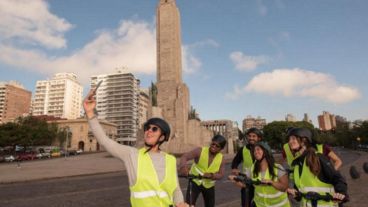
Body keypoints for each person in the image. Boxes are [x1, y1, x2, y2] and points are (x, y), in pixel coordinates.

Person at [83, 88, 188, 207]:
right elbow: (105, 141)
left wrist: (180, 203)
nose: (149, 131)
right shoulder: (132, 155)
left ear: (162, 137)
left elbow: (175, 189)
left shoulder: (171, 160)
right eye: (147, 128)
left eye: (154, 129)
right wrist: (90, 113)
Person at [286, 128, 348, 207]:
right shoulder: (297, 163)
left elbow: (338, 179)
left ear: (304, 140)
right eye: (289, 139)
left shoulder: (317, 157)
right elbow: (301, 190)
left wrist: (340, 193)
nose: (290, 142)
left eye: (293, 138)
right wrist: (296, 194)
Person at [230, 142, 290, 207]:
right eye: (254, 151)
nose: (255, 152)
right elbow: (244, 184)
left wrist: (272, 182)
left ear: (266, 152)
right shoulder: (252, 169)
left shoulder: (277, 168)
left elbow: (284, 187)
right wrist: (236, 180)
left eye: (258, 149)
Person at [178, 135, 227, 207]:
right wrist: (183, 167)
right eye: (213, 144)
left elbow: (221, 174)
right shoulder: (200, 151)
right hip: (195, 182)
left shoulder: (221, 159)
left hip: (209, 185)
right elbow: (184, 157)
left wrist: (211, 175)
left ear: (221, 149)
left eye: (217, 146)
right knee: (189, 205)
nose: (214, 146)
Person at [231, 128, 263, 207]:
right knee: (246, 203)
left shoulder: (264, 149)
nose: (251, 138)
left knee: (261, 203)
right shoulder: (243, 149)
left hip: (262, 181)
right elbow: (235, 161)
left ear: (259, 138)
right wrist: (234, 168)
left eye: (254, 136)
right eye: (249, 136)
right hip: (247, 182)